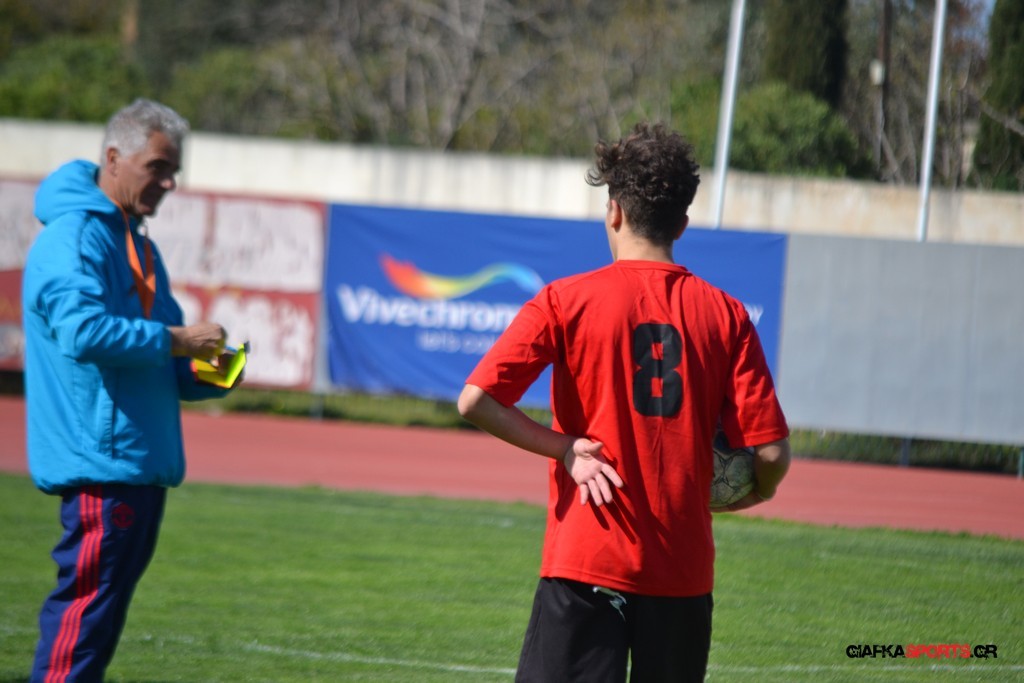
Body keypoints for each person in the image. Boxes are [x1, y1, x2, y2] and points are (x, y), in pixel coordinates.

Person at [458, 122, 791, 682]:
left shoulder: (564, 300)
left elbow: (476, 400)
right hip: (682, 572)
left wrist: (565, 449)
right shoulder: (728, 316)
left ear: (613, 212)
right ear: (682, 224)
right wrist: (753, 491)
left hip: (586, 559)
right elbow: (773, 453)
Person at [22, 98, 242, 682]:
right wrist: (178, 339)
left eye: (174, 171)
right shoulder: (74, 239)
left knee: (98, 622)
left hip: (136, 464)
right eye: (157, 167)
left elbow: (165, 361)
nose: (169, 183)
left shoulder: (139, 246)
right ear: (114, 159)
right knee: (83, 619)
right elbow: (82, 332)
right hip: (103, 464)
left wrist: (218, 368)